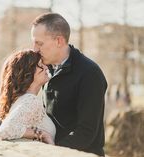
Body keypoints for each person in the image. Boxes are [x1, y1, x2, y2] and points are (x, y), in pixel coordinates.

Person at [31, 13, 107, 156]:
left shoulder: (90, 73)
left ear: (59, 41)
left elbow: (86, 131)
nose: (34, 49)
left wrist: (53, 151)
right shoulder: (46, 69)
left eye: (39, 43)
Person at [0, 49, 56, 145]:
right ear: (27, 73)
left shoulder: (22, 99)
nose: (46, 67)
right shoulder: (31, 100)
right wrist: (42, 134)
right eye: (40, 65)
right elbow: (5, 131)